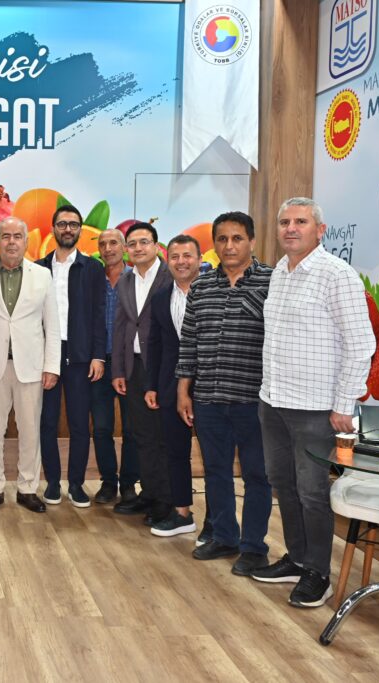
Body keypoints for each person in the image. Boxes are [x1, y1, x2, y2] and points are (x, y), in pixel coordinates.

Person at [253, 197, 375, 607]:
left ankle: (318, 574)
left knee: (311, 493)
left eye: (301, 222)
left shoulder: (336, 275)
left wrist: (343, 403)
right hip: (273, 401)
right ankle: (297, 558)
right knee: (283, 485)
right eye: (284, 221)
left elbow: (361, 345)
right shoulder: (280, 273)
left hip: (316, 408)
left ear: (320, 230)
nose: (290, 228)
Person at [176, 212, 274, 574]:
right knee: (215, 470)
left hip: (255, 400)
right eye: (222, 239)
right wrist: (183, 390)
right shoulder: (202, 286)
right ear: (214, 244)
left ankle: (253, 547)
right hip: (208, 399)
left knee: (257, 475)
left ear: (251, 241)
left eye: (237, 238)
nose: (229, 246)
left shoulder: (272, 282)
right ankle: (224, 536)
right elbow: (189, 341)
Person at [0, 216, 60, 514]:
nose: (11, 242)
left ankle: (27, 488)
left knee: (30, 430)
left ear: (26, 241)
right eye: (6, 236)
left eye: (17, 236)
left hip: (31, 366)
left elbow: (52, 324)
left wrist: (52, 366)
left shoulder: (42, 275)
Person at [36, 205, 106, 507]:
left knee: (79, 424)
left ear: (80, 229)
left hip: (80, 356)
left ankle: (76, 483)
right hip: (46, 356)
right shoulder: (38, 268)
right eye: (62, 224)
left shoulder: (92, 268)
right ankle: (52, 482)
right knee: (47, 422)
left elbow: (99, 314)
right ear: (53, 228)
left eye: (74, 224)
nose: (68, 229)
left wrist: (98, 355)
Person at [110, 222, 173, 523]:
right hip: (133, 367)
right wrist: (118, 370)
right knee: (140, 434)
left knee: (161, 436)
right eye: (132, 243)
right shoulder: (126, 279)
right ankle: (148, 493)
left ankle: (165, 500)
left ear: (156, 246)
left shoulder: (170, 276)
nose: (137, 248)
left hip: (161, 366)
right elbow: (121, 326)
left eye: (144, 242)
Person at [144, 234, 203, 540]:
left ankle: (218, 524)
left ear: (200, 260)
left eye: (187, 256)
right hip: (170, 386)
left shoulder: (213, 292)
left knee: (214, 457)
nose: (181, 262)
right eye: (175, 257)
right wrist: (152, 385)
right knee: (176, 452)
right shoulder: (160, 297)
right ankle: (182, 513)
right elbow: (155, 345)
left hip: (210, 387)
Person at [91, 229, 140, 505]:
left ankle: (129, 483)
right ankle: (108, 481)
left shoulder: (136, 278)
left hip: (130, 364)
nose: (108, 248)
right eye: (103, 244)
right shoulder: (93, 280)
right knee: (101, 428)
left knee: (132, 429)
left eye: (113, 243)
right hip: (99, 363)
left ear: (123, 248)